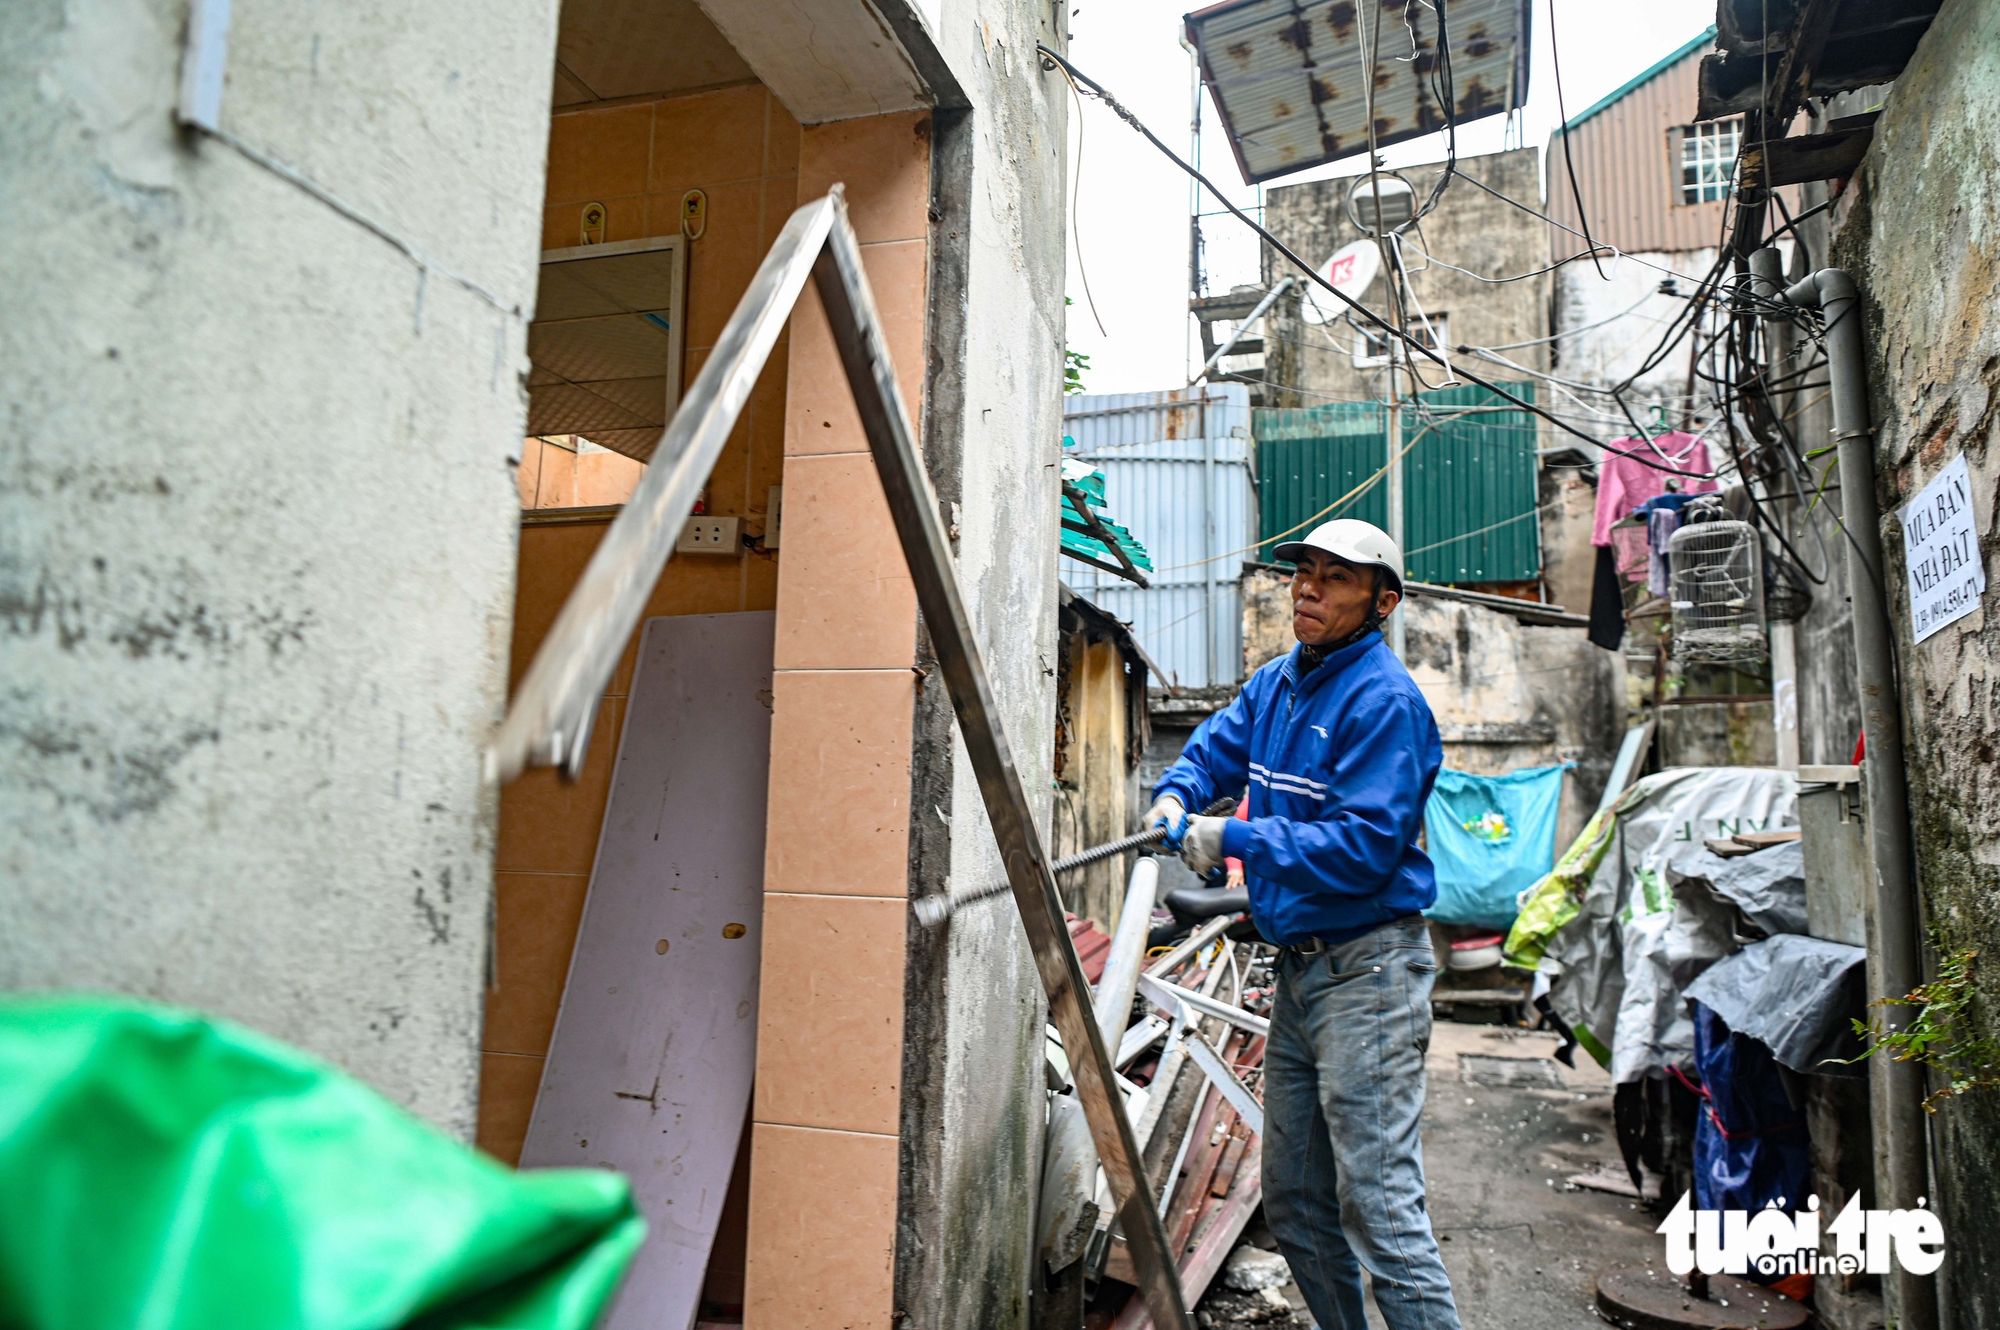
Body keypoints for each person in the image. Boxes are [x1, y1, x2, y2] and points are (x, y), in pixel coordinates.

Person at [1146, 519, 1458, 1330]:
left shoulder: (1384, 702)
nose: (1308, 587)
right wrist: (1179, 794)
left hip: (1371, 972)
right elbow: (1214, 748)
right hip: (1302, 968)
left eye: (1336, 578)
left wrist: (1235, 836)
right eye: (1305, 572)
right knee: (1294, 1202)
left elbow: (1363, 848)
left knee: (1381, 1211)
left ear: (1382, 602)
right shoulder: (1279, 682)